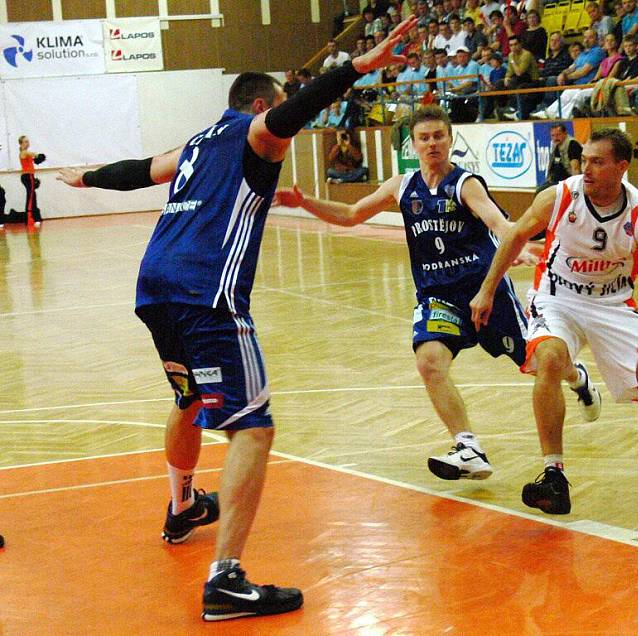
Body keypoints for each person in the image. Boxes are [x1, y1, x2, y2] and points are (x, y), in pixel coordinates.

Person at [56, 16, 417, 621]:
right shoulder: (256, 135)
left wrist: (85, 177)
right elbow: (293, 112)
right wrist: (356, 67)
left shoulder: (196, 144)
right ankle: (226, 580)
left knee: (191, 400)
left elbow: (140, 169)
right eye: (274, 114)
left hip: (154, 287)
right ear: (257, 105)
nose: (283, 131)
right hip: (207, 294)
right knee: (253, 426)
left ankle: (182, 505)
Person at [273, 104, 536, 483]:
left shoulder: (465, 184)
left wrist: (518, 246)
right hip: (437, 296)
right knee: (430, 362)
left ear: (450, 139)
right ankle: (469, 448)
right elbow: (350, 214)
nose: (432, 144)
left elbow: (498, 222)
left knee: (535, 364)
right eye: (424, 138)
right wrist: (306, 202)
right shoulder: (402, 186)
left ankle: (575, 378)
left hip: (483, 291)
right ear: (412, 145)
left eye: (438, 136)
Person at [470, 128, 638, 516]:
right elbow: (515, 236)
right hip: (557, 298)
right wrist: (487, 289)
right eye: (584, 160)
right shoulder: (559, 197)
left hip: (613, 305)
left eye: (597, 161)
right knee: (549, 359)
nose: (586, 168)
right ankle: (554, 475)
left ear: (622, 167)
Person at [537, 124, 582, 192]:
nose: (555, 138)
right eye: (553, 135)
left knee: (541, 191)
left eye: (558, 135)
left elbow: (575, 168)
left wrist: (575, 189)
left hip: (567, 182)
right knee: (540, 190)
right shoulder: (556, 145)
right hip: (557, 181)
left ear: (565, 133)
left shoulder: (572, 144)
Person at [18, 135, 45, 227]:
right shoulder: (24, 152)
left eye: (28, 141)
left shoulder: (26, 153)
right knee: (31, 197)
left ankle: (35, 218)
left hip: (29, 176)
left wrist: (35, 159)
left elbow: (32, 159)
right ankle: (30, 218)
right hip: (28, 176)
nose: (27, 143)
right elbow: (33, 154)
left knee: (32, 196)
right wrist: (38, 156)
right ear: (21, 144)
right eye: (25, 141)